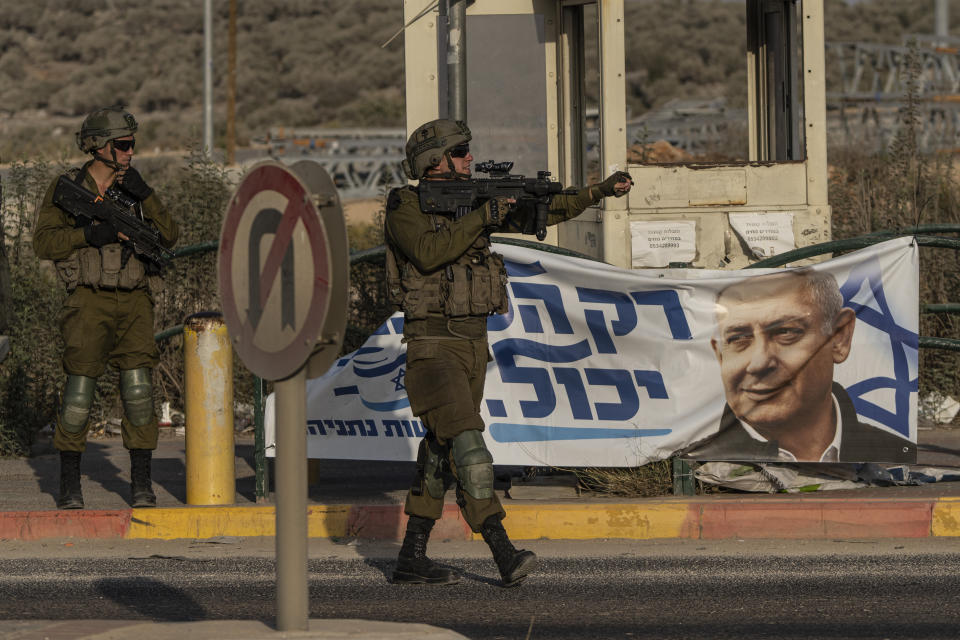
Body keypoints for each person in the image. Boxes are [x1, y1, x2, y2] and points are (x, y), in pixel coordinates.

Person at [385, 118, 633, 587]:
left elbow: (546, 209)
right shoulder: (406, 205)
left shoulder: (478, 202)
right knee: (469, 444)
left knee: (442, 449)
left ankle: (411, 557)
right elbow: (427, 252)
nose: (468, 159)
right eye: (459, 152)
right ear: (433, 161)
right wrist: (484, 214)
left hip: (473, 343)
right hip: (432, 344)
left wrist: (598, 191)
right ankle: (503, 551)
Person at [33, 106, 179, 509]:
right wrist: (87, 234)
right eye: (124, 145)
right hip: (87, 300)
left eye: (133, 144)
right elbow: (43, 243)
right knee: (79, 393)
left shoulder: (134, 191)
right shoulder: (69, 188)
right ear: (98, 147)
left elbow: (169, 236)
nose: (131, 152)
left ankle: (141, 485)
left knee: (138, 391)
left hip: (134, 300)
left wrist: (145, 193)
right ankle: (68, 486)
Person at [683, 269, 915, 463]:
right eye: (738, 339)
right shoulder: (695, 463)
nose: (759, 362)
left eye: (785, 333)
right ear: (720, 356)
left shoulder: (894, 456)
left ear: (839, 337)